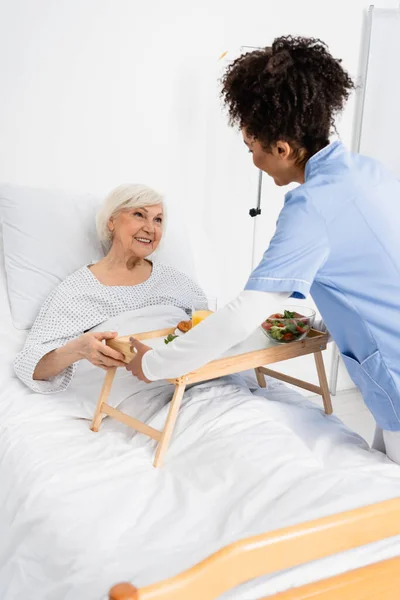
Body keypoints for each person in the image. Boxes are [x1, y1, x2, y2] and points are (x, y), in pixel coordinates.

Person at [126, 36, 400, 464]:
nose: (252, 158)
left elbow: (242, 315)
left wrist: (154, 365)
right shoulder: (369, 172)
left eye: (251, 148)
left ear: (282, 148)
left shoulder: (312, 206)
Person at [14, 183, 205, 392]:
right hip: (141, 393)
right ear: (111, 221)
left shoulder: (176, 281)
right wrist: (78, 349)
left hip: (198, 381)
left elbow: (212, 329)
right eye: (139, 215)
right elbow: (30, 366)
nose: (150, 228)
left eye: (158, 219)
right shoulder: (79, 288)